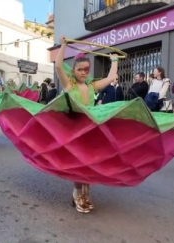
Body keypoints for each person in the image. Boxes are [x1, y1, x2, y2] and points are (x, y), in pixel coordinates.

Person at [56, 36, 118, 213]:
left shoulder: (92, 86)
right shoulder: (69, 85)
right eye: (80, 69)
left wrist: (114, 60)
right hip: (74, 128)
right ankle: (77, 193)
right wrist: (63, 46)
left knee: (90, 162)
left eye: (86, 70)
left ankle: (86, 193)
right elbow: (59, 66)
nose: (84, 72)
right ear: (74, 71)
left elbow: (111, 77)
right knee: (78, 161)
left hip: (91, 127)